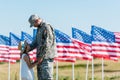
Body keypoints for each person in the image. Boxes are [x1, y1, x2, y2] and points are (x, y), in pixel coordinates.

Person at [26, 14, 57, 80]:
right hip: (40, 57)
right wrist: (29, 47)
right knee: (40, 77)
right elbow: (36, 42)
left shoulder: (46, 26)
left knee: (47, 77)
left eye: (33, 24)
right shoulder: (39, 28)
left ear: (37, 20)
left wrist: (42, 56)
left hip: (46, 57)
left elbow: (48, 43)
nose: (34, 26)